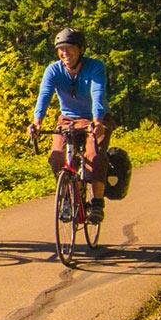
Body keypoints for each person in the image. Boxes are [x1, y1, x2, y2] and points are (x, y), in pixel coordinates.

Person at [28, 28, 111, 223]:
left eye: (69, 48)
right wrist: (37, 123)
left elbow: (97, 94)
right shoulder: (53, 70)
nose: (65, 52)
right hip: (67, 119)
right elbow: (44, 96)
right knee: (57, 156)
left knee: (95, 155)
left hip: (95, 118)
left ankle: (97, 202)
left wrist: (98, 122)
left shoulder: (95, 67)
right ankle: (66, 197)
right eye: (61, 49)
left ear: (80, 49)